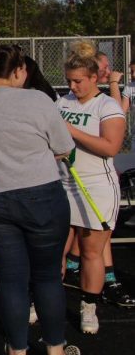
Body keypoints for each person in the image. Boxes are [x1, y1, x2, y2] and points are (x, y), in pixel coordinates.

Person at [0, 44, 77, 355]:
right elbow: (64, 146)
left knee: (12, 282)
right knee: (48, 277)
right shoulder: (38, 99)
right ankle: (55, 348)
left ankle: (17, 350)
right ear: (18, 71)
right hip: (41, 195)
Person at [59, 41, 127, 333]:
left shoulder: (107, 105)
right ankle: (43, 303)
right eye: (69, 81)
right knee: (52, 252)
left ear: (94, 78)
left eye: (78, 81)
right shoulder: (62, 103)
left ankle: (89, 307)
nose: (72, 87)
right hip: (62, 185)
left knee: (90, 253)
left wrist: (71, 132)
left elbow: (111, 147)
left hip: (96, 187)